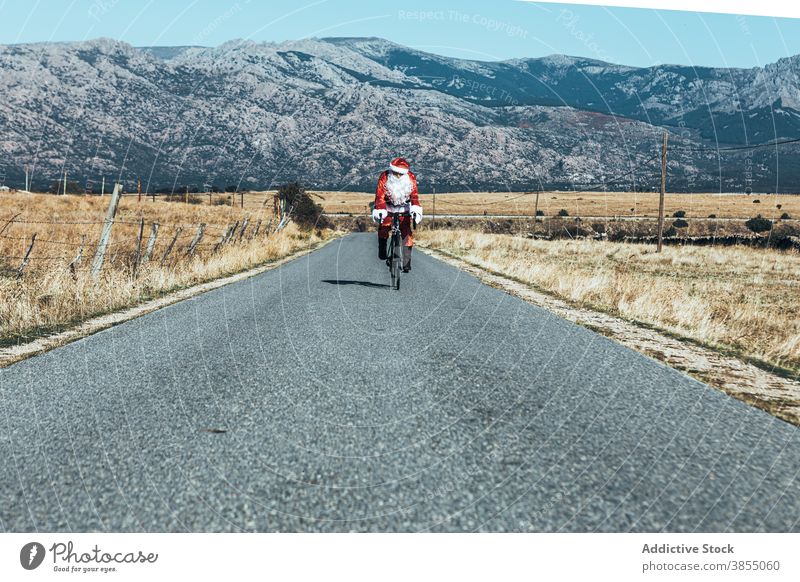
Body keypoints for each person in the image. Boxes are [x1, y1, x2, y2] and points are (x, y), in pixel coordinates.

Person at [371, 157, 423, 272]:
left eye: (400, 174)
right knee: (384, 228)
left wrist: (415, 209)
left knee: (407, 233)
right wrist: (380, 210)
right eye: (395, 173)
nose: (398, 176)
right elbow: (379, 195)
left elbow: (414, 195)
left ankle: (406, 262)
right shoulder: (384, 176)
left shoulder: (410, 178)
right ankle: (383, 251)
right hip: (387, 208)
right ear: (392, 170)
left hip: (404, 209)